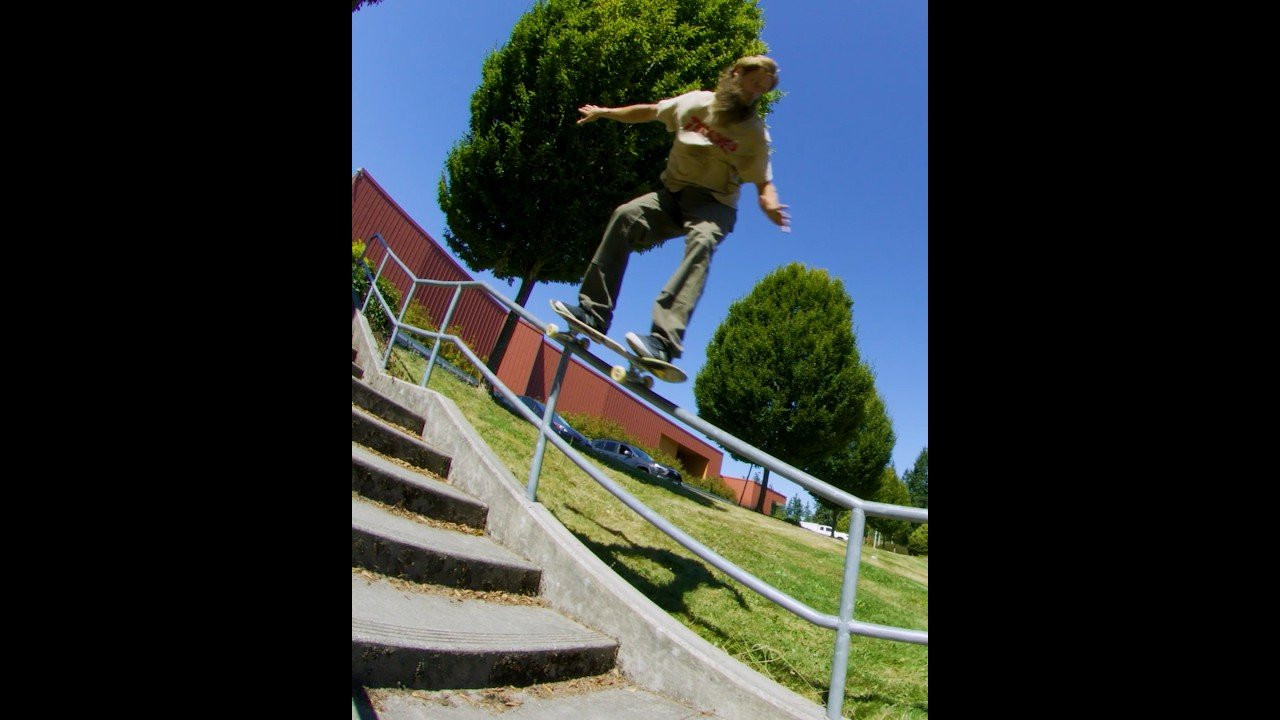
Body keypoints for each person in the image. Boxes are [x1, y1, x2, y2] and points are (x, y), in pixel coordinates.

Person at [554, 55, 790, 367]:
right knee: (626, 215)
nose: (756, 92)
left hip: (714, 206)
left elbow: (764, 181)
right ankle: (593, 312)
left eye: (764, 89)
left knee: (703, 242)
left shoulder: (754, 133)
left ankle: (663, 342)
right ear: (736, 74)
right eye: (754, 82)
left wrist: (769, 202)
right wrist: (605, 112)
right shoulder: (694, 102)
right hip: (672, 197)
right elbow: (650, 111)